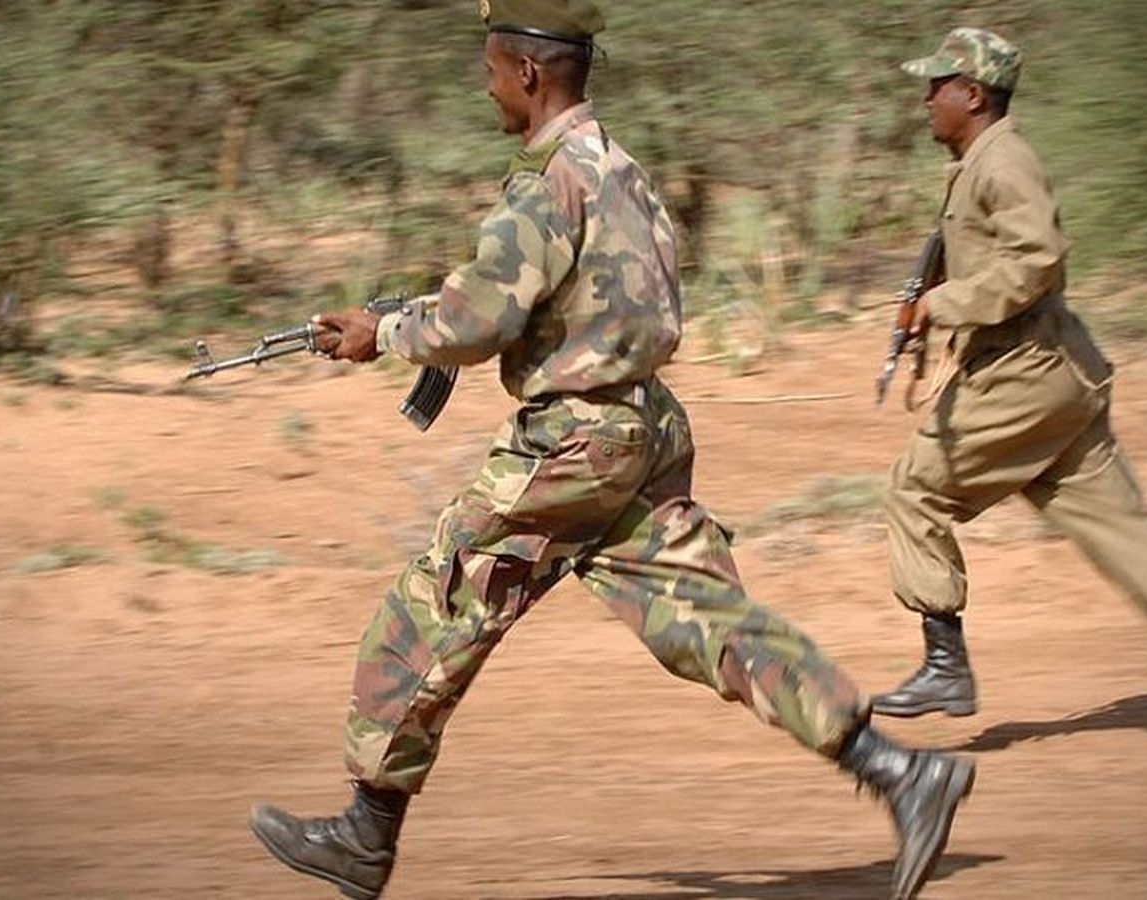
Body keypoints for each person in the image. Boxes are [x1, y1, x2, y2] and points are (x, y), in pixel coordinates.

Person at [247, 3, 974, 898]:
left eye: (490, 67)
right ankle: (903, 774)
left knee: (431, 607)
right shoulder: (625, 171)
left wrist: (382, 330)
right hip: (644, 429)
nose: (484, 85)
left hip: (573, 442)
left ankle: (365, 833)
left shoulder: (548, 182)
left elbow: (475, 320)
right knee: (709, 621)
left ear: (527, 73)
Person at [873, 27, 1147, 749]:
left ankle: (946, 665)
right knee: (1119, 524)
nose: (926, 98)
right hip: (1060, 375)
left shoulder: (1004, 162)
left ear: (974, 94)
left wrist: (941, 306)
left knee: (915, 491)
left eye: (937, 85)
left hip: (1025, 372)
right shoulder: (978, 162)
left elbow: (1038, 262)